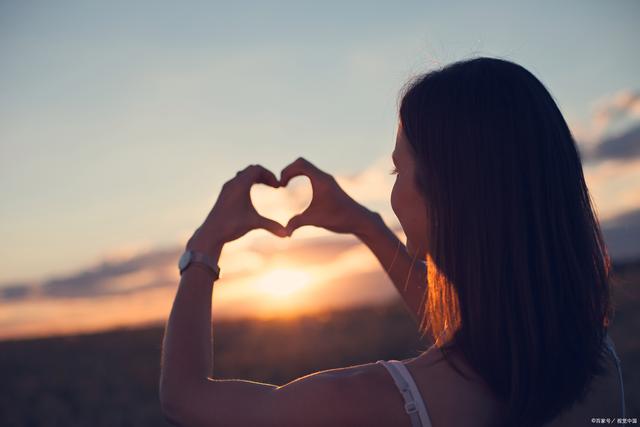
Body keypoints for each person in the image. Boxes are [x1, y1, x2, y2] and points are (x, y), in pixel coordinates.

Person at [159, 56, 625, 427]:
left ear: (449, 193)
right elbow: (471, 326)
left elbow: (186, 397)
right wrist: (365, 224)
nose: (393, 186)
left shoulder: (379, 402)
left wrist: (205, 244)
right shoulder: (593, 360)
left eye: (397, 170)